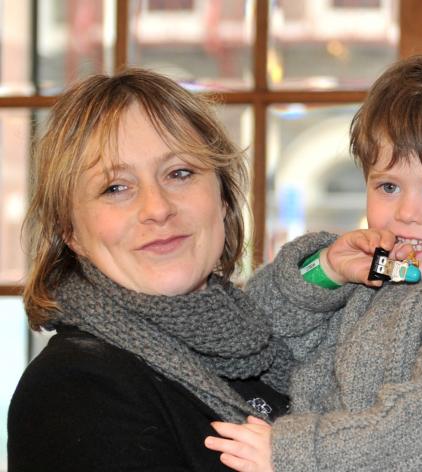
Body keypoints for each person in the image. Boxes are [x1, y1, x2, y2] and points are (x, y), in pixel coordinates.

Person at [204, 51, 422, 471]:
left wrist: (296, 456)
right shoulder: (368, 276)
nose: (407, 213)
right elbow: (247, 340)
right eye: (388, 186)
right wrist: (324, 273)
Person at [7, 69, 293, 471]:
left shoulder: (271, 345)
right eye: (115, 188)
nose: (157, 208)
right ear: (70, 232)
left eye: (180, 173)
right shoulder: (75, 389)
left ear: (224, 198)